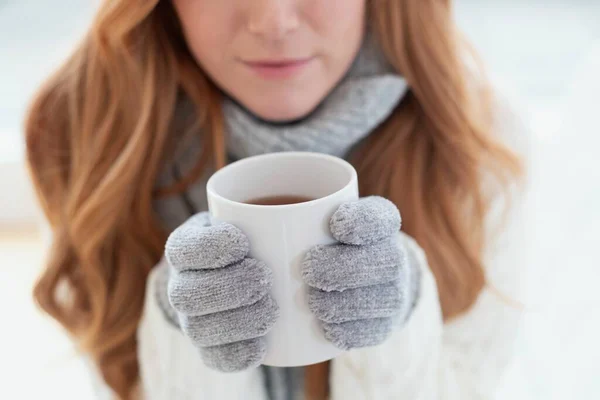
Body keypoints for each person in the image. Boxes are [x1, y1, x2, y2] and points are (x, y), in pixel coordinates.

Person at [24, 0, 532, 399]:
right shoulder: (87, 132)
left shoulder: (477, 137)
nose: (273, 20)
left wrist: (398, 316)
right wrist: (182, 322)